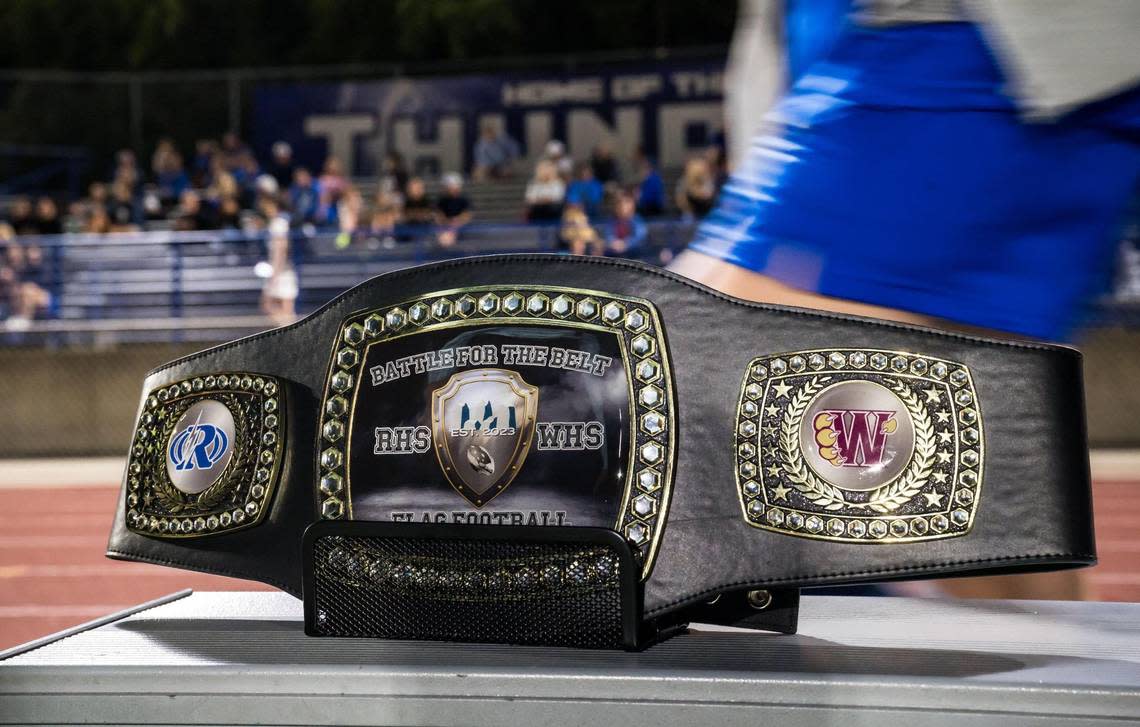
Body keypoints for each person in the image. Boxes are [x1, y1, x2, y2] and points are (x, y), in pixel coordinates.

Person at [673, 1, 1140, 601]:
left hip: (963, 65)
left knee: (691, 352)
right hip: (973, 72)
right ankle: (1061, 685)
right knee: (996, 510)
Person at [259, 200, 298, 325]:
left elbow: (281, 250)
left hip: (282, 271)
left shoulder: (278, 224)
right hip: (282, 270)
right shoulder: (279, 223)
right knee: (282, 309)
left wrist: (275, 274)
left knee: (284, 309)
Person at [605, 191, 648, 257]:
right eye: (618, 206)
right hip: (616, 251)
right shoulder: (612, 221)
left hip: (634, 251)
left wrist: (625, 244)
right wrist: (614, 242)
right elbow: (609, 234)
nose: (622, 209)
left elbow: (639, 237)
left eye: (624, 206)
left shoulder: (636, 220)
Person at [435, 172, 472, 248]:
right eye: (450, 186)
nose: (453, 188)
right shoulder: (442, 200)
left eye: (455, 186)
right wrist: (446, 222)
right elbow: (438, 215)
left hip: (460, 227)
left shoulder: (463, 200)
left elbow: (467, 215)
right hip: (444, 227)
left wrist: (457, 221)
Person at [674, 156, 717, 220]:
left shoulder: (707, 181)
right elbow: (681, 201)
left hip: (706, 212)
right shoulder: (684, 182)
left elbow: (708, 195)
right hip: (690, 213)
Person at [632, 150, 666, 217]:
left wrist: (639, 196)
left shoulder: (654, 178)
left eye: (643, 168)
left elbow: (651, 197)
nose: (641, 170)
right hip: (648, 205)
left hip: (654, 206)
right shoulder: (646, 179)